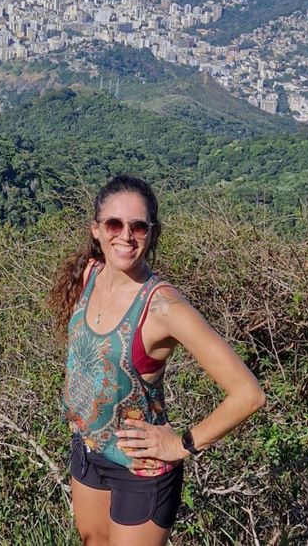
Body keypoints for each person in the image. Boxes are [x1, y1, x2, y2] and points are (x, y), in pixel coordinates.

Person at [47, 174, 265, 545]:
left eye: (138, 227)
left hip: (141, 471)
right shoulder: (89, 275)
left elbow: (248, 394)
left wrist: (182, 444)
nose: (125, 236)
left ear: (153, 233)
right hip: (87, 451)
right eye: (114, 224)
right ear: (96, 230)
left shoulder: (164, 307)